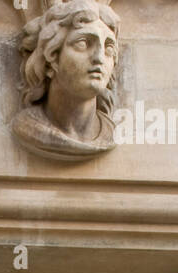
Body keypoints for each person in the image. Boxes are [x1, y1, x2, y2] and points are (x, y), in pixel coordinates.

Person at [12, 1, 120, 160]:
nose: (99, 58)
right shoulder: (29, 127)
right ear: (51, 59)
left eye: (108, 48)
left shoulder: (111, 134)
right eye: (83, 43)